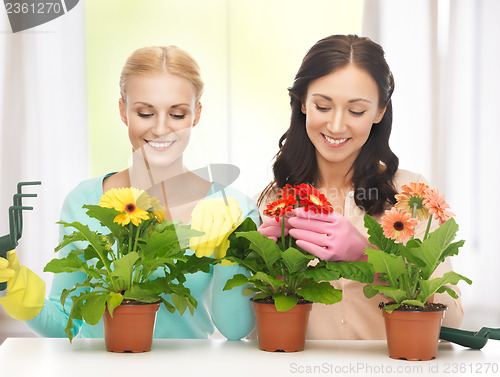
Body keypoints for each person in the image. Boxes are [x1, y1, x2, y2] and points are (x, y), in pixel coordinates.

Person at [0, 45, 258, 340]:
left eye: (177, 114)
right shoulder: (84, 201)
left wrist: (230, 252)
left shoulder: (232, 207)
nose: (161, 129)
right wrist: (21, 296)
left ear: (196, 114)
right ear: (123, 110)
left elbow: (235, 331)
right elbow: (65, 324)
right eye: (145, 112)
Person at [258, 34, 464, 340]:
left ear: (380, 112)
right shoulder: (274, 200)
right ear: (303, 103)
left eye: (356, 111)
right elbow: (252, 331)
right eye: (323, 107)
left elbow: (452, 317)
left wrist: (367, 257)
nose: (337, 126)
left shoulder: (412, 194)